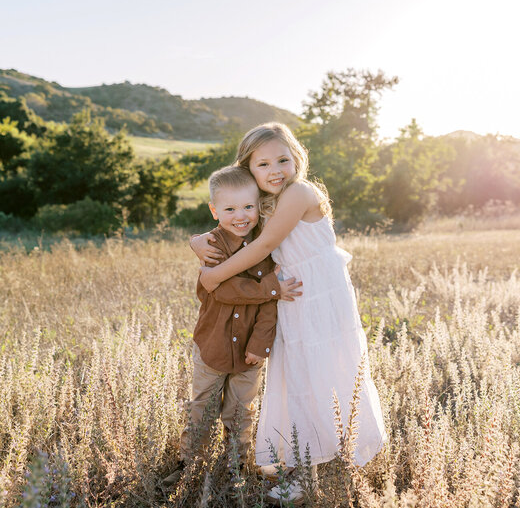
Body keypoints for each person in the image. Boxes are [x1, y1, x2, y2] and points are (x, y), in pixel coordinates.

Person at [191, 122, 388, 503]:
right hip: (291, 298)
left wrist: (213, 275)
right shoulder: (259, 202)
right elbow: (232, 224)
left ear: (297, 159)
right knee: (295, 374)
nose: (275, 170)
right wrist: (198, 240)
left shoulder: (299, 192)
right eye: (263, 164)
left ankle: (332, 457)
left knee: (327, 371)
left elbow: (264, 244)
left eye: (283, 159)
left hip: (320, 296)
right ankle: (298, 461)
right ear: (248, 170)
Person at [162, 165, 303, 487]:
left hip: (248, 354)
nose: (240, 216)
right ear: (214, 210)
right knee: (202, 408)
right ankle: (188, 465)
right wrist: (271, 288)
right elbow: (220, 289)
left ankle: (237, 467)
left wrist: (259, 345)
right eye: (230, 209)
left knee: (241, 412)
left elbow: (270, 308)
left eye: (248, 207)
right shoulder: (211, 246)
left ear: (259, 208)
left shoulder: (266, 248)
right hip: (212, 345)